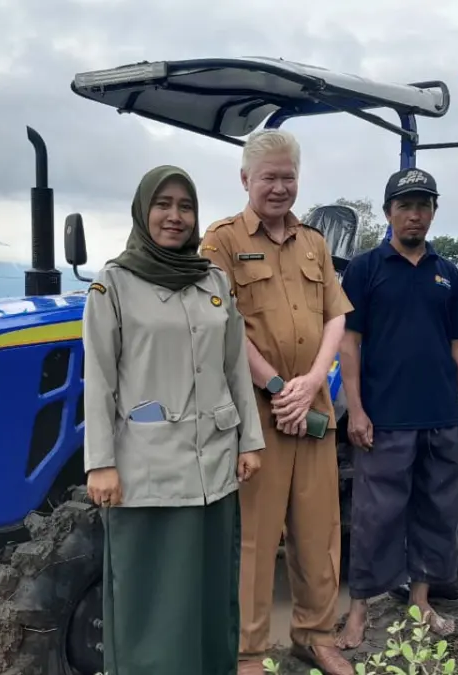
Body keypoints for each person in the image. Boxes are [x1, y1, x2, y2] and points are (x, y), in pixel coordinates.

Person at [82, 165, 265, 675]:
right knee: (149, 601)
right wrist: (100, 464)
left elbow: (235, 367)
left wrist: (249, 441)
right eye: (163, 204)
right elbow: (98, 380)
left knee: (208, 595)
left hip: (215, 469)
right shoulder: (113, 284)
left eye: (185, 206)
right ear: (144, 210)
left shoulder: (214, 282)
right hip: (147, 472)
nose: (175, 216)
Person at [199, 128, 356, 675]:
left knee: (319, 532)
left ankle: (316, 635)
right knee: (254, 538)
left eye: (289, 177)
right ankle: (246, 650)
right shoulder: (219, 241)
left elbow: (336, 315)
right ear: (246, 179)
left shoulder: (314, 243)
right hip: (256, 415)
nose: (280, 187)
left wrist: (314, 381)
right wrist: (274, 387)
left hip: (313, 411)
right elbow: (222, 322)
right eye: (269, 177)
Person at [334, 167, 458, 648]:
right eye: (405, 206)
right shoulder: (366, 269)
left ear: (433, 212)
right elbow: (349, 344)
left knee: (435, 513)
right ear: (388, 213)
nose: (414, 215)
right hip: (385, 419)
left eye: (423, 205)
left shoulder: (448, 273)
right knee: (376, 519)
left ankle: (420, 600)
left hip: (440, 416)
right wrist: (355, 408)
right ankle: (358, 611)